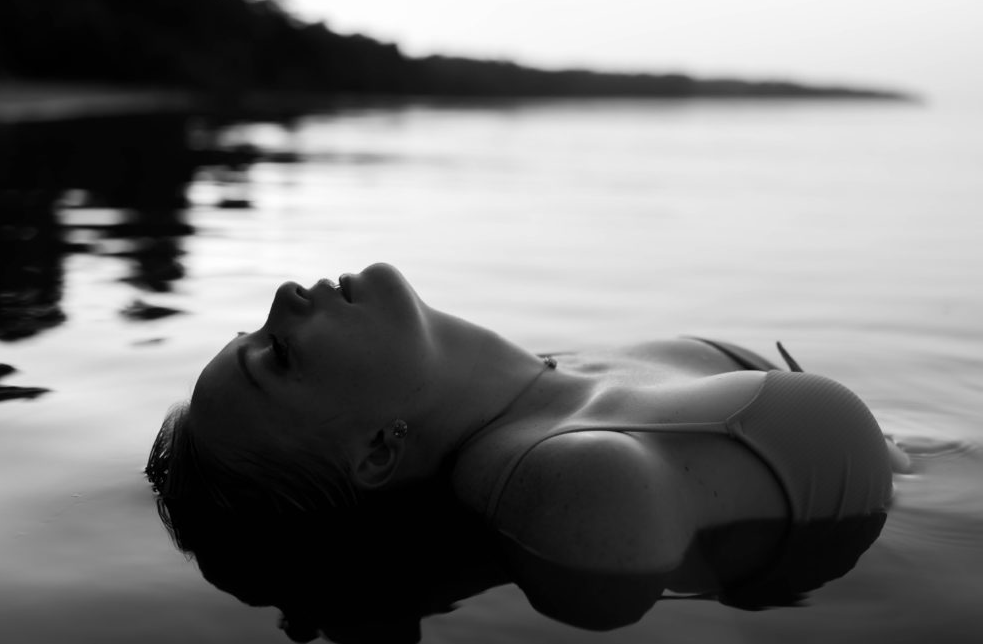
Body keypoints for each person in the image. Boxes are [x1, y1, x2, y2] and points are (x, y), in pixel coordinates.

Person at [146, 263, 898, 637]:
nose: (283, 296)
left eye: (251, 329)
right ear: (377, 451)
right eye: (277, 354)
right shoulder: (569, 483)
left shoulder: (549, 379)